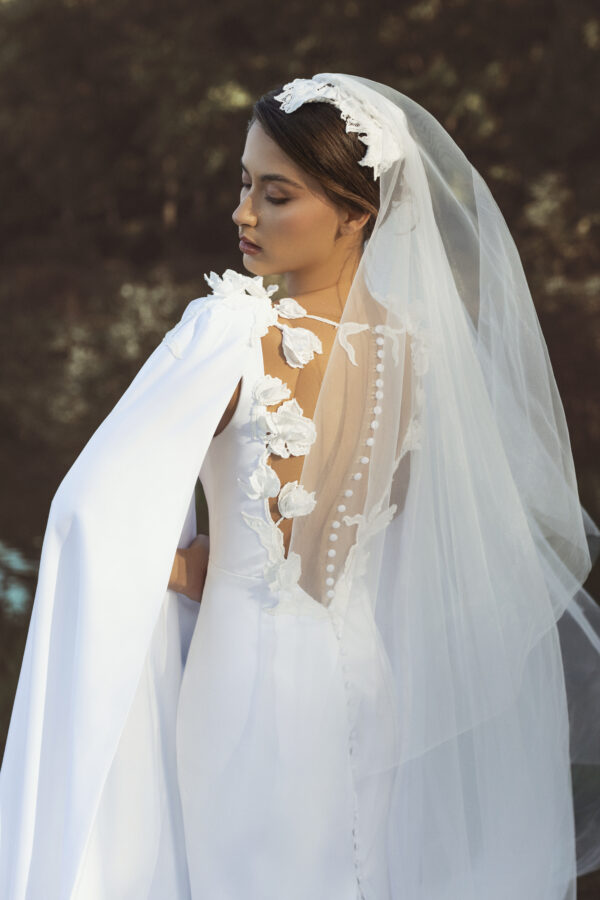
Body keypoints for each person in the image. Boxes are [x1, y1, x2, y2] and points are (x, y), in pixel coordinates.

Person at [1, 73, 599, 900]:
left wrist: (184, 568)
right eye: (245, 185)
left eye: (276, 194)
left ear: (356, 213)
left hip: (247, 684)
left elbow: (86, 514)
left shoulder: (231, 331)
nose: (245, 214)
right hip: (363, 680)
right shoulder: (417, 355)